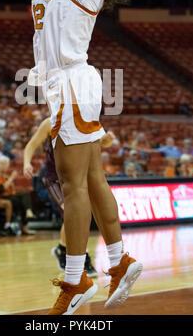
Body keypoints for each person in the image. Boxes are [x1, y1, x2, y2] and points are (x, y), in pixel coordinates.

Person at [0, 0, 142, 315]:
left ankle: (77, 280)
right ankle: (119, 262)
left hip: (72, 83)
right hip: (67, 86)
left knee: (73, 186)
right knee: (92, 180)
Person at [24, 117, 115, 275]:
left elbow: (101, 143)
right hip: (55, 179)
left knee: (74, 216)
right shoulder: (50, 123)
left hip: (77, 178)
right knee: (74, 214)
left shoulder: (85, 120)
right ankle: (82, 256)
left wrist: (107, 140)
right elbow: (31, 145)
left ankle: (62, 248)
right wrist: (26, 163)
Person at [0, 155, 35, 235]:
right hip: (1, 197)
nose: (4, 166)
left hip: (11, 197)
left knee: (25, 195)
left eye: (6, 164)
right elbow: (2, 189)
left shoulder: (6, 176)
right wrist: (12, 178)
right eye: (2, 164)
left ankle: (28, 213)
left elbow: (13, 190)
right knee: (22, 202)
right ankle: (25, 221)